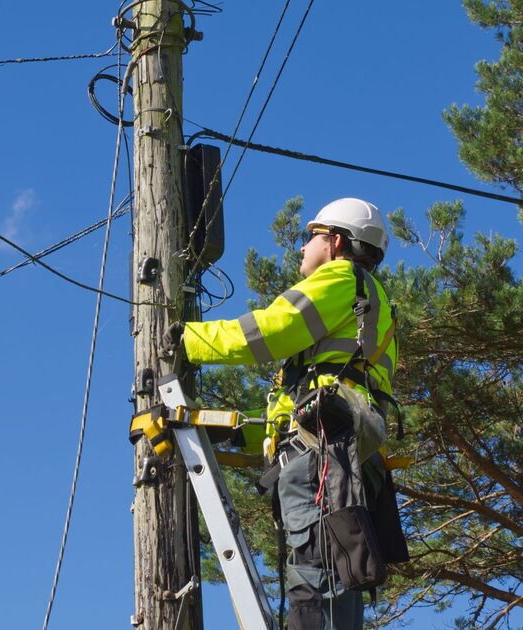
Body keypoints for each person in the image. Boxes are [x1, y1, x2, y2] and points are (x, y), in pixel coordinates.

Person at [168, 198, 408, 630]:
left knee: (317, 581)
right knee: (338, 576)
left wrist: (188, 340)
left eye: (310, 237)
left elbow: (272, 330)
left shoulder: (342, 277)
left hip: (324, 462)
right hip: (344, 459)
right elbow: (293, 415)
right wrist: (234, 432)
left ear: (335, 242)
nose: (301, 248)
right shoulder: (370, 305)